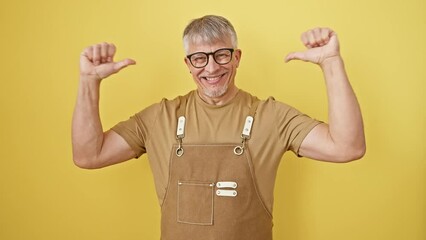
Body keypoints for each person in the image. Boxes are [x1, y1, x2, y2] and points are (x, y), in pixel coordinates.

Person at [72, 15, 365, 240]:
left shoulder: (273, 117)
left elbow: (347, 147)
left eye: (221, 55)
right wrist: (89, 81)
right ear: (188, 63)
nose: (211, 68)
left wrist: (331, 62)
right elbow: (89, 155)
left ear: (236, 57)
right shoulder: (159, 118)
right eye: (200, 58)